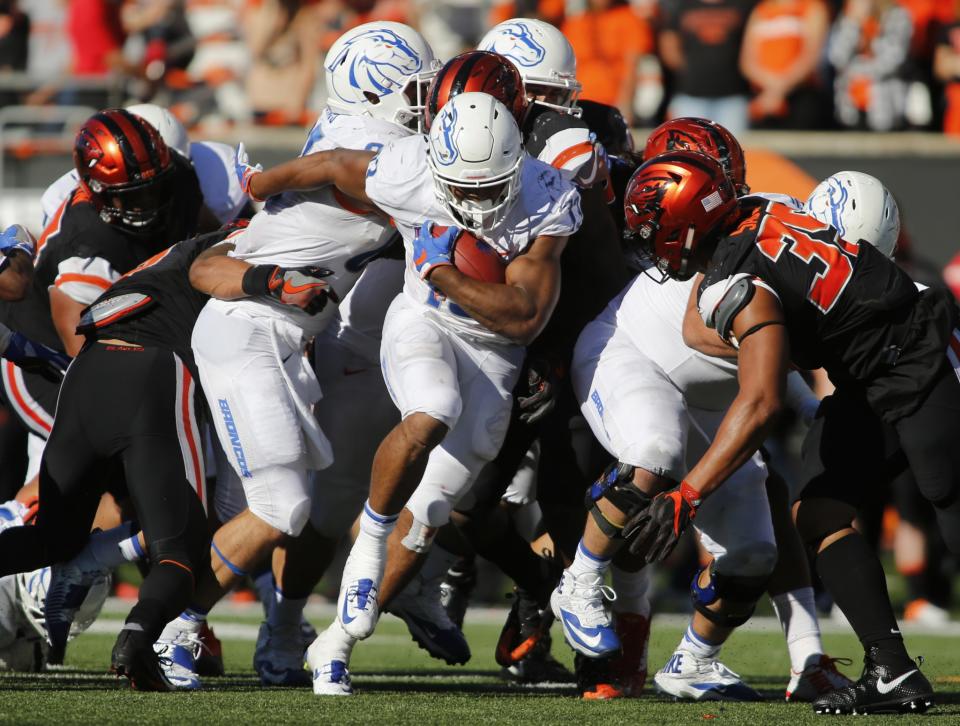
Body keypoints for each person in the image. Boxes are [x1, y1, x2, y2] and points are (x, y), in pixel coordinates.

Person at [244, 91, 582, 695]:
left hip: (495, 349)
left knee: (430, 511)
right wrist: (263, 182)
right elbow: (329, 165)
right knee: (434, 409)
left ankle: (337, 645)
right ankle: (370, 541)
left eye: (491, 186)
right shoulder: (407, 167)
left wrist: (442, 270)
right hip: (421, 320)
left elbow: (524, 316)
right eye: (465, 188)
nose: (478, 201)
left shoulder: (547, 195)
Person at [153, 21, 441, 690]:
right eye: (417, 89)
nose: (429, 102)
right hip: (250, 331)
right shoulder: (374, 148)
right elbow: (394, 186)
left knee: (292, 504)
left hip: (277, 339)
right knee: (280, 506)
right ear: (377, 91)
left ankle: (235, 628)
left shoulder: (357, 131)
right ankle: (170, 630)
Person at [621, 150, 956, 714]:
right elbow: (709, 330)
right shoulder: (751, 214)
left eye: (656, 230)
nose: (650, 243)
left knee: (950, 499)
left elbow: (761, 401)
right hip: (866, 378)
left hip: (920, 356)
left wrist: (687, 493)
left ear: (686, 225)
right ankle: (892, 671)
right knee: (819, 513)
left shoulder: (735, 277)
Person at [658, 0, 756, 134]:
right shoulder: (682, 5)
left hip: (733, 96)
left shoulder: (744, 5)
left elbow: (753, 42)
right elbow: (669, 44)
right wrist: (691, 72)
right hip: (690, 95)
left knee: (733, 149)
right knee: (689, 149)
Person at [738, 0, 830, 129]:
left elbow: (811, 55)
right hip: (764, 98)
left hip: (800, 95)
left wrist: (779, 89)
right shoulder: (761, 10)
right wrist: (771, 89)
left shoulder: (811, 7)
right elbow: (747, 61)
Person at [561, 0, 654, 124]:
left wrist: (626, 104)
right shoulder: (575, 22)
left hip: (611, 105)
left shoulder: (629, 19)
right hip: (577, 101)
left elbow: (632, 66)